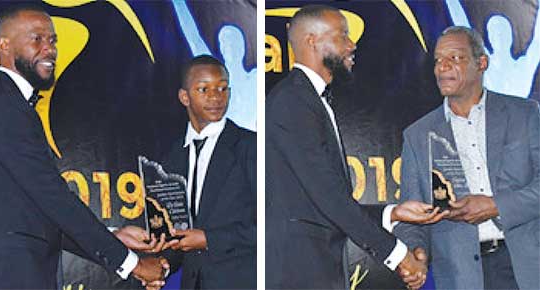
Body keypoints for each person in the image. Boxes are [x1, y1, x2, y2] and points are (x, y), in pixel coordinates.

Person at [0, 5, 166, 288]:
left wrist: (114, 236)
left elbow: (34, 214)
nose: (49, 49)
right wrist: (133, 265)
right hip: (8, 276)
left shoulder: (9, 104)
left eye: (52, 41)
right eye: (37, 39)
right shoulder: (2, 107)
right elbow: (53, 198)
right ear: (4, 45)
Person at [265, 5, 438, 289]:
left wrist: (392, 213)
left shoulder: (310, 100)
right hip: (297, 276)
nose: (352, 44)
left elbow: (316, 203)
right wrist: (398, 256)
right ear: (312, 41)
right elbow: (328, 198)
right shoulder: (292, 102)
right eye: (343, 35)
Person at [394, 26, 540, 290]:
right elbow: (411, 214)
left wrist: (497, 206)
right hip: (460, 276)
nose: (443, 67)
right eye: (438, 60)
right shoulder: (418, 135)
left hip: (526, 267)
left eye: (455, 57)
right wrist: (417, 251)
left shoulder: (524, 115)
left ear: (481, 63)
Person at [159, 55, 257, 289]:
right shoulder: (172, 157)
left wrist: (209, 239)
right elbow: (179, 232)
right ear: (184, 97)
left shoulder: (251, 146)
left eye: (222, 88)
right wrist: (164, 264)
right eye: (204, 89)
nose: (215, 97)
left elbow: (272, 222)